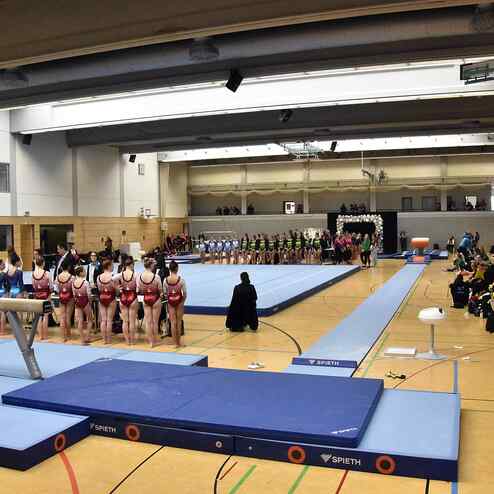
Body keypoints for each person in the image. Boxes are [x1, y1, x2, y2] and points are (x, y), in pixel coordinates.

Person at [138, 258, 163, 347]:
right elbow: (160, 290)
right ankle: (155, 341)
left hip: (146, 298)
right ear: (151, 265)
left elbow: (140, 289)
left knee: (148, 322)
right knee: (155, 322)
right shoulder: (156, 277)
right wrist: (161, 294)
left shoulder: (140, 277)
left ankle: (150, 341)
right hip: (155, 298)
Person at [164, 261, 187, 348]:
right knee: (179, 322)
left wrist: (169, 299)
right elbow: (184, 293)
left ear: (169, 269)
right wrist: (182, 302)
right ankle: (179, 342)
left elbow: (165, 293)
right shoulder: (181, 280)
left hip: (171, 302)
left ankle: (175, 343)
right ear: (177, 268)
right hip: (179, 301)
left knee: (173, 323)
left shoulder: (165, 280)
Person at [116, 258, 138, 345]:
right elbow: (139, 287)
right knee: (132, 321)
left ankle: (127, 341)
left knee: (125, 321)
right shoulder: (135, 275)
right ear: (131, 265)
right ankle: (132, 341)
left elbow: (111, 280)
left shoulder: (120, 274)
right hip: (132, 296)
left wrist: (117, 288)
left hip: (123, 296)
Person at [32, 256, 52, 340]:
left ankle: (40, 336)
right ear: (43, 263)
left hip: (37, 295)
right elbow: (51, 287)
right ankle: (45, 336)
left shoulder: (33, 274)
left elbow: (33, 286)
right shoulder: (47, 273)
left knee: (39, 316)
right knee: (46, 316)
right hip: (46, 295)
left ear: (36, 264)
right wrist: (49, 293)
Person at [97, 259, 116, 344]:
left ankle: (104, 340)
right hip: (110, 297)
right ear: (109, 266)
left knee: (103, 320)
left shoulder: (99, 277)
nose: (113, 267)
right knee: (109, 320)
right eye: (112, 265)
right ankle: (109, 339)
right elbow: (116, 289)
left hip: (102, 297)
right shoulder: (112, 276)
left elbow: (99, 288)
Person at [72, 266, 93, 345]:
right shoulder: (85, 282)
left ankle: (82, 339)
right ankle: (87, 337)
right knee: (90, 320)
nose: (85, 272)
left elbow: (74, 294)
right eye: (84, 271)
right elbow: (89, 294)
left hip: (78, 301)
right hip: (85, 301)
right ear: (81, 273)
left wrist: (76, 302)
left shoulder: (73, 282)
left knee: (80, 321)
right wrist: (90, 302)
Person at [55, 259, 74, 342]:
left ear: (61, 267)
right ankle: (69, 335)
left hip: (62, 296)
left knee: (62, 317)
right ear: (69, 267)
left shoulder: (58, 277)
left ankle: (63, 336)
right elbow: (74, 288)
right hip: (70, 297)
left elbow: (57, 288)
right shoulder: (72, 277)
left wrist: (61, 292)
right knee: (68, 317)